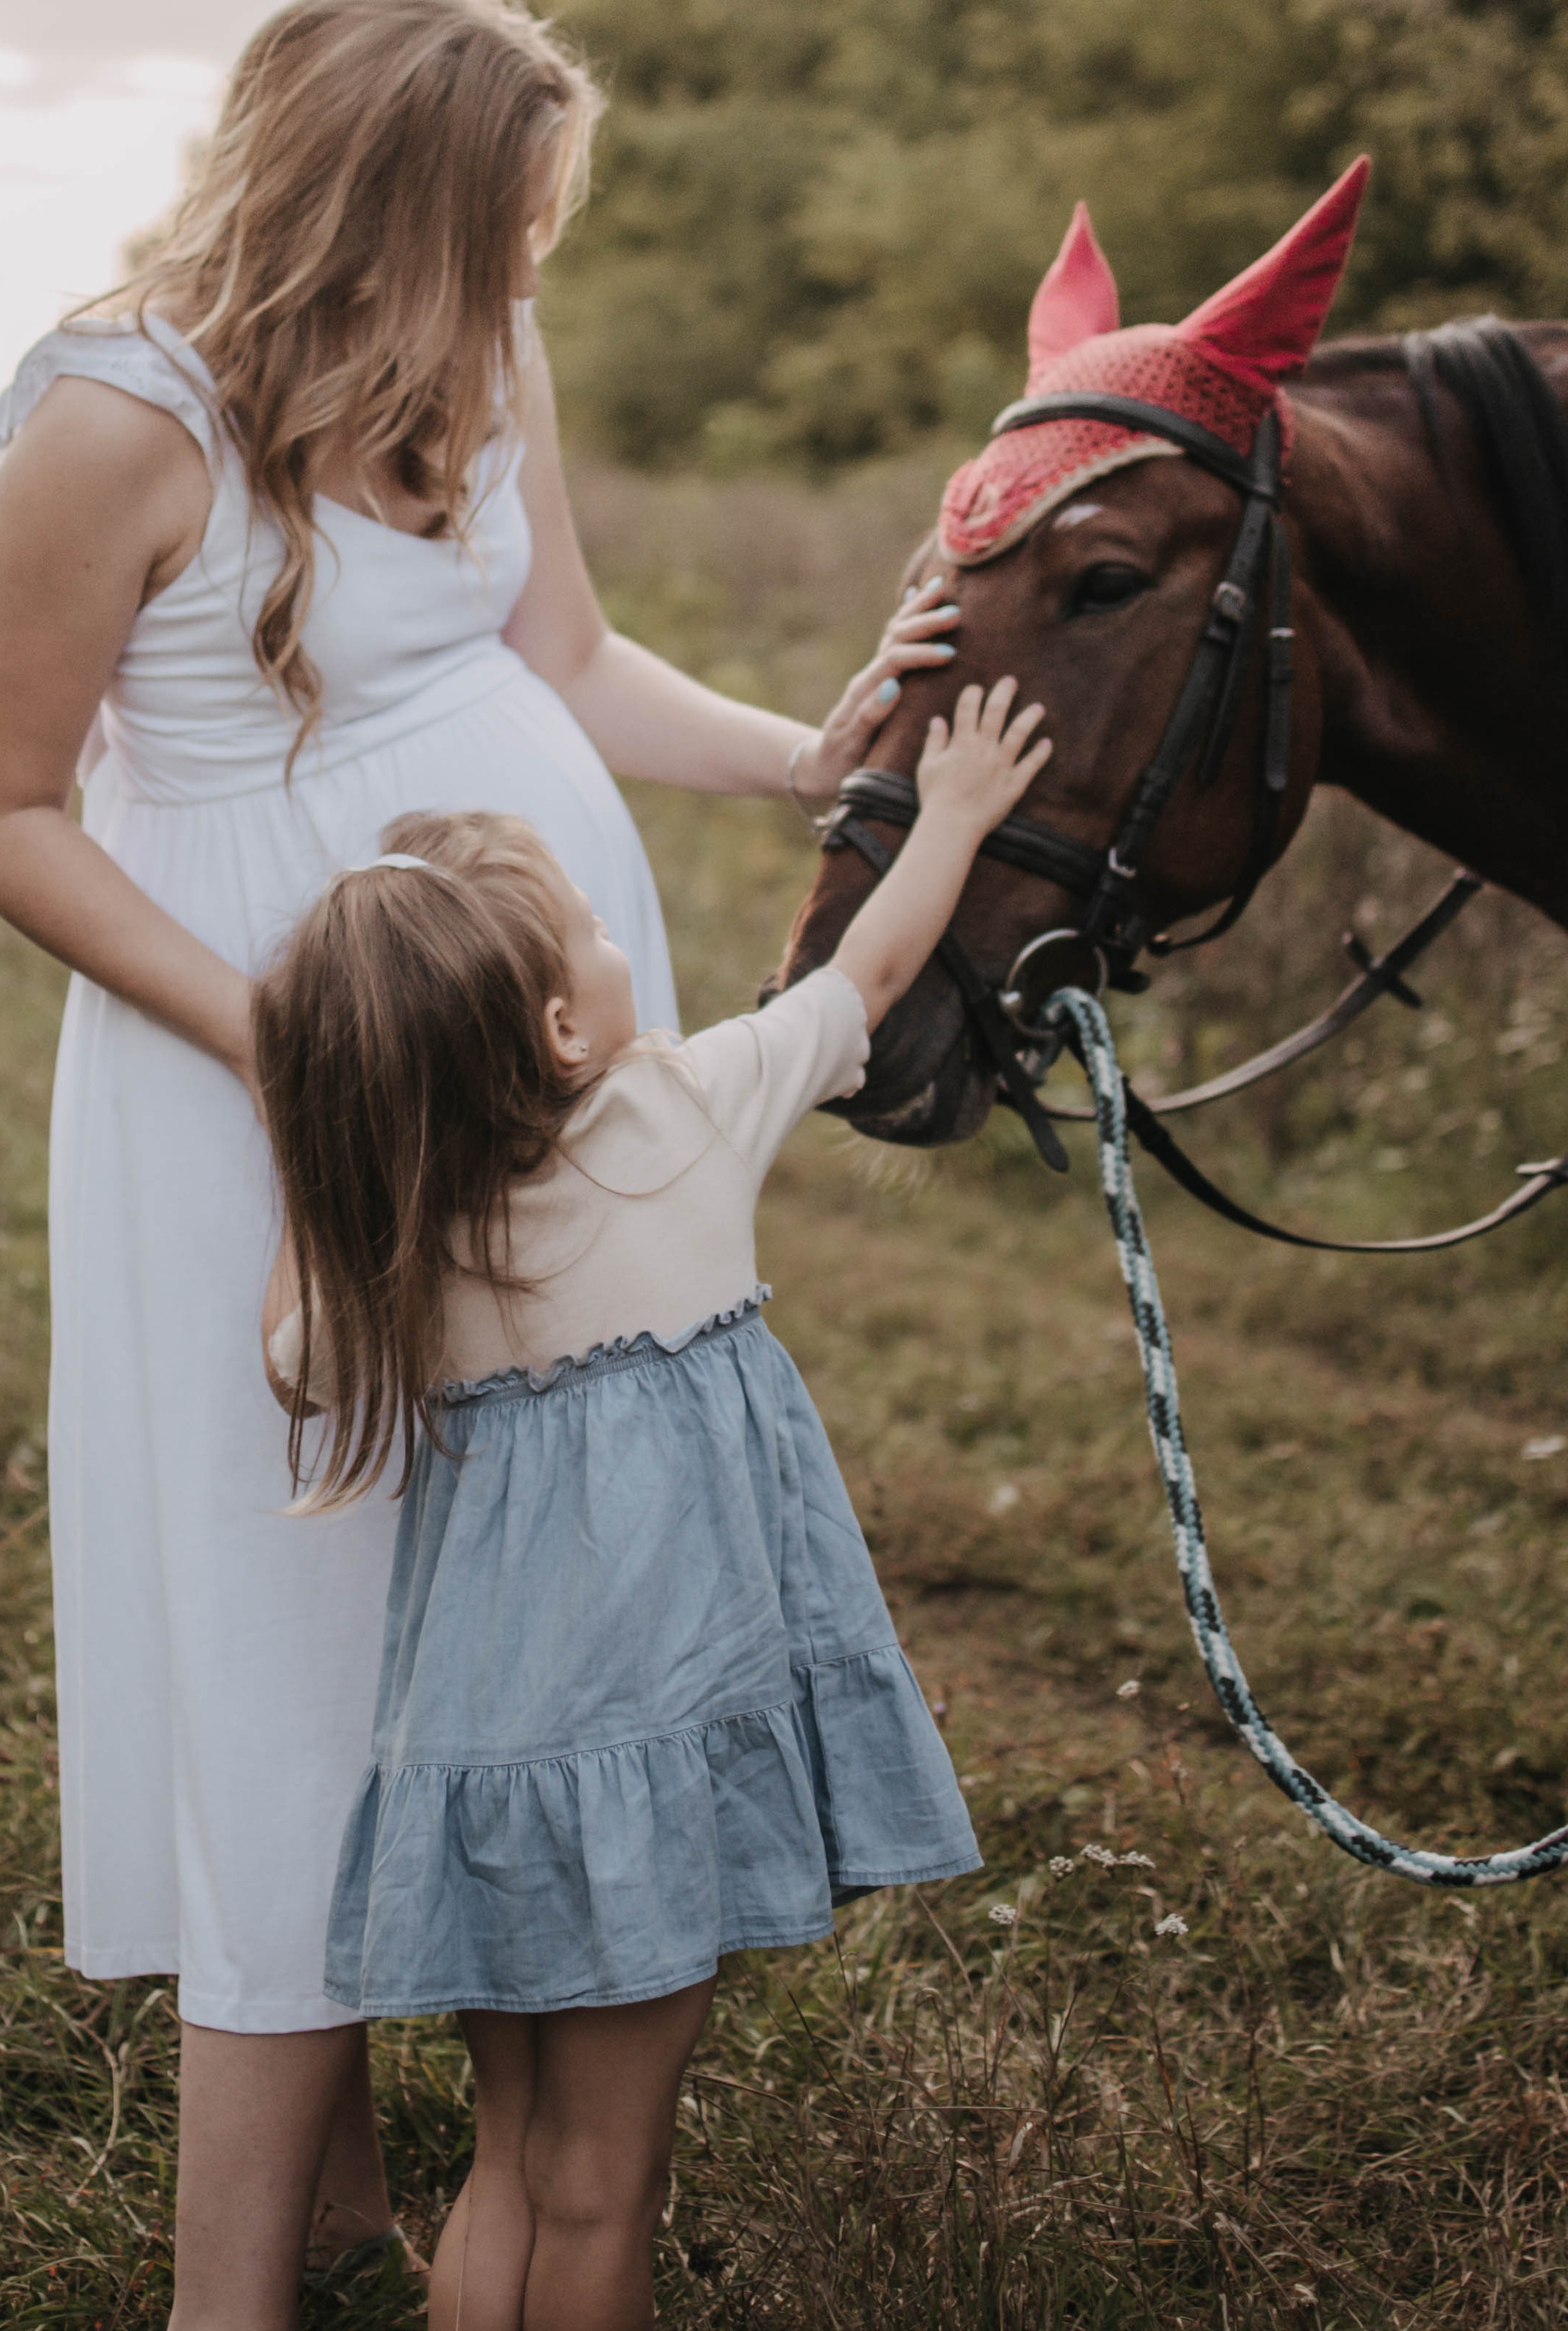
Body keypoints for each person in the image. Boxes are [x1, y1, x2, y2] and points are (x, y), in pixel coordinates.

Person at [0, 0, 964, 2330]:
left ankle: (372, 2190)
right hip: (255, 1084)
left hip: (530, 1055)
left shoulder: (488, 350)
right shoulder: (110, 427)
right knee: (302, 1629)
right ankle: (244, 2281)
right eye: (498, 223)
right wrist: (297, 1038)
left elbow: (566, 658)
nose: (528, 274)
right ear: (357, 198)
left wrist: (807, 755)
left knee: (502, 1583)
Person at [254, 674, 1052, 2331]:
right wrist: (959, 814)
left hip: (485, 1773)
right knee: (607, 2183)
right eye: (596, 935)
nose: (626, 953)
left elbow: (289, 1361)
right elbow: (871, 975)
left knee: (507, 2163)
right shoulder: (678, 1115)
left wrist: (317, 1148)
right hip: (649, 1754)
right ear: (561, 1029)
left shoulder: (401, 1246)